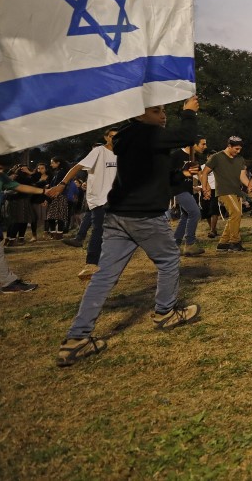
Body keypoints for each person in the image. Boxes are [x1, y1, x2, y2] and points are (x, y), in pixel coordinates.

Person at [55, 98, 203, 366]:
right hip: (144, 216)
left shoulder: (129, 138)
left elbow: (154, 178)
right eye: (156, 111)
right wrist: (189, 112)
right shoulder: (145, 133)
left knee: (104, 276)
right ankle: (165, 313)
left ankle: (76, 339)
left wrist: (180, 174)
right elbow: (187, 134)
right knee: (168, 260)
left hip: (118, 215)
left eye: (163, 111)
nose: (162, 116)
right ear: (138, 113)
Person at [0, 150, 46, 293]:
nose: (0, 171)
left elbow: (18, 186)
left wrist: (43, 192)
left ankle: (7, 280)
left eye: (2, 169)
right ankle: (8, 282)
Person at [60, 127, 118, 280]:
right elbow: (77, 167)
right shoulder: (99, 151)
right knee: (99, 230)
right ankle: (90, 265)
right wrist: (62, 183)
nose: (115, 139)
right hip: (99, 199)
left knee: (116, 232)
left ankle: (108, 265)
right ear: (106, 137)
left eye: (118, 136)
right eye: (111, 136)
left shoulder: (123, 153)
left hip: (117, 199)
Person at [199, 137, 251, 251]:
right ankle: (234, 242)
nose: (238, 151)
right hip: (224, 190)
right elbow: (204, 173)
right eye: (236, 149)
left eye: (240, 149)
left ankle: (223, 243)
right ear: (229, 146)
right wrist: (204, 188)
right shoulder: (216, 157)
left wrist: (249, 184)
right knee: (236, 213)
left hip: (236, 191)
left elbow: (242, 176)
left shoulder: (240, 159)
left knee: (235, 215)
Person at [170, 137, 207, 256]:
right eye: (203, 144)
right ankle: (190, 244)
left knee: (185, 216)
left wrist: (205, 187)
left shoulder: (194, 157)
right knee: (195, 213)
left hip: (188, 189)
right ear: (193, 144)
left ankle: (175, 246)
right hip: (178, 189)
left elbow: (199, 173)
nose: (205, 146)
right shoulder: (176, 155)